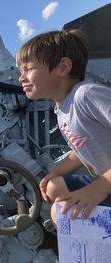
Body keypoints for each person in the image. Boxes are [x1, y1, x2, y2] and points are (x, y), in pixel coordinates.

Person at [17, 29, 111, 225]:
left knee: (61, 215)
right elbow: (81, 150)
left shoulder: (86, 96)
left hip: (107, 181)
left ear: (63, 67)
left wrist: (101, 187)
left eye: (28, 69)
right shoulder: (61, 110)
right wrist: (55, 173)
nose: (21, 77)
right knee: (54, 188)